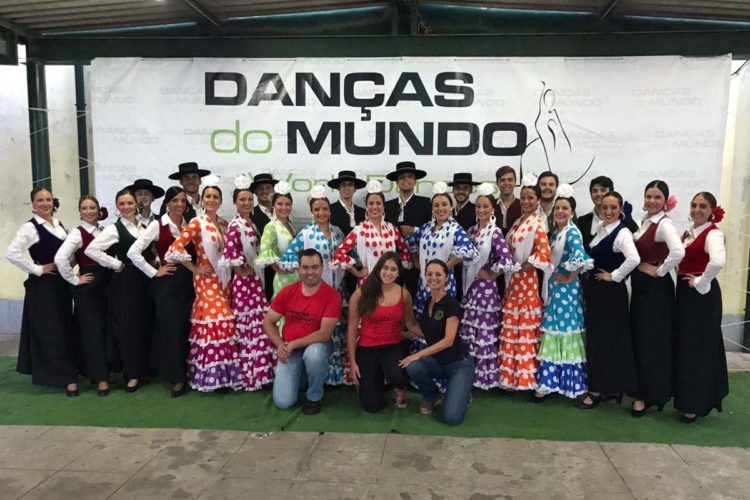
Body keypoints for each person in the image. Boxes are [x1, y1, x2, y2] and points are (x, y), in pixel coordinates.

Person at [165, 177, 243, 392]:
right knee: (216, 323)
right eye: (208, 196)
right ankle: (208, 377)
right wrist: (194, 268)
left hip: (224, 280)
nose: (211, 199)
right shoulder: (197, 222)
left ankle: (224, 376)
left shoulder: (224, 224)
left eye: (215, 197)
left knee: (225, 326)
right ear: (202, 200)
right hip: (206, 280)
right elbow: (175, 248)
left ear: (220, 201)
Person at [6, 187, 77, 396]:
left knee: (64, 327)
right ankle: (66, 378)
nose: (45, 203)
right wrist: (37, 269)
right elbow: (12, 253)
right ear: (33, 204)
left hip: (61, 284)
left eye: (48, 199)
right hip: (43, 287)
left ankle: (65, 372)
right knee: (51, 331)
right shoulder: (30, 228)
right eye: (40, 200)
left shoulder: (58, 224)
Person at [127, 186, 194, 397]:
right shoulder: (157, 225)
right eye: (175, 201)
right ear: (167, 203)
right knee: (172, 330)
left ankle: (187, 372)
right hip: (168, 283)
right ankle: (176, 377)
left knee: (186, 329)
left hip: (189, 283)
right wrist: (153, 272)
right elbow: (133, 252)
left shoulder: (188, 225)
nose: (180, 205)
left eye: (183, 201)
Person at [279, 186, 349, 385]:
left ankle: (336, 376)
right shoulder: (306, 233)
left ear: (330, 210)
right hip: (316, 293)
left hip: (338, 291)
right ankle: (319, 378)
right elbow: (289, 256)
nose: (321, 213)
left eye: (324, 209)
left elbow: (348, 255)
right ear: (312, 212)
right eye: (317, 209)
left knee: (336, 332)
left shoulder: (337, 232)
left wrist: (355, 268)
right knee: (320, 334)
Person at [86, 188, 153, 393]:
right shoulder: (114, 229)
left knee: (143, 324)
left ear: (137, 205)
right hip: (125, 283)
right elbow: (91, 250)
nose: (126, 207)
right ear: (117, 207)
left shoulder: (143, 226)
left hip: (145, 281)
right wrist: (115, 264)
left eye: (130, 203)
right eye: (122, 204)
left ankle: (142, 368)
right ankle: (131, 374)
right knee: (127, 328)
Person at [263, 249, 342, 414]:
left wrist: (293, 344)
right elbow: (268, 322)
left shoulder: (332, 295)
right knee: (283, 402)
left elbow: (324, 334)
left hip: (317, 346)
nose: (310, 272)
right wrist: (280, 346)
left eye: (315, 267)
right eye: (305, 267)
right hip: (290, 349)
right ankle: (302, 378)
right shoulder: (287, 292)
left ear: (322, 268)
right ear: (298, 268)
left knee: (313, 355)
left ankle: (314, 396)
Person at [579, 191, 639, 409]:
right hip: (597, 294)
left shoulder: (622, 233)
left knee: (606, 342)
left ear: (621, 209)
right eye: (605, 208)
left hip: (610, 296)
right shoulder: (602, 229)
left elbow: (634, 258)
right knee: (602, 341)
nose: (609, 211)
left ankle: (597, 390)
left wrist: (613, 276)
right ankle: (609, 387)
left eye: (613, 208)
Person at [630, 180, 685, 417]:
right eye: (649, 196)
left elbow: (678, 251)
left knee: (652, 341)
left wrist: (660, 270)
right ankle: (650, 391)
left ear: (665, 201)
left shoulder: (664, 224)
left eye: (657, 197)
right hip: (642, 287)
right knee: (642, 338)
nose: (652, 201)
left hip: (656, 290)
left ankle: (648, 395)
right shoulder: (646, 222)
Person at [674, 192, 729, 423]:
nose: (697, 209)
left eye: (703, 206)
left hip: (702, 299)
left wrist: (700, 281)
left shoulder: (713, 234)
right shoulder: (690, 233)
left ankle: (694, 404)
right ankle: (688, 399)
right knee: (687, 347)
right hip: (687, 296)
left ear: (712, 210)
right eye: (694, 205)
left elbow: (717, 261)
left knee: (698, 350)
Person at [399, 259, 475, 425]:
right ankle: (431, 395)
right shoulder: (428, 302)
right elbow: (420, 330)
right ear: (425, 276)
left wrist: (417, 355)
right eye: (430, 274)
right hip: (438, 361)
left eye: (438, 274)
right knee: (412, 366)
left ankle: (461, 392)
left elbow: (448, 341)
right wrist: (404, 305)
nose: (433, 278)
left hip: (458, 364)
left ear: (446, 277)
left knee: (452, 419)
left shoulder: (451, 304)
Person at [535, 185, 592, 401]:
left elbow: (581, 256)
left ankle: (569, 383)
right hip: (556, 291)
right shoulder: (559, 232)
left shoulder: (572, 232)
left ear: (572, 212)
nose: (560, 211)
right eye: (557, 207)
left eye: (565, 208)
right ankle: (551, 382)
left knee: (564, 334)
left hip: (565, 292)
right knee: (554, 333)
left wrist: (570, 276)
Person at [457, 183, 515, 389]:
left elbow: (507, 259)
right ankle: (468, 376)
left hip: (484, 291)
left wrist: (492, 273)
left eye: (485, 207)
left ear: (492, 209)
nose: (481, 210)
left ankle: (484, 377)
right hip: (469, 287)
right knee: (471, 332)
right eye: (478, 207)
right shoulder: (471, 230)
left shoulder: (495, 232)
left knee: (483, 334)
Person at [220, 175, 274, 391]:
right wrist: (245, 268)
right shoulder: (235, 225)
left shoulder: (248, 222)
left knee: (257, 329)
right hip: (245, 285)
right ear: (235, 202)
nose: (246, 203)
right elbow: (232, 255)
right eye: (242, 200)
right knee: (250, 330)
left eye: (249, 200)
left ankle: (259, 372)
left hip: (253, 282)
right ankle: (252, 375)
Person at [54, 195, 112, 396]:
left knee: (105, 330)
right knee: (92, 332)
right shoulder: (77, 234)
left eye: (92, 207)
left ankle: (104, 371)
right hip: (88, 287)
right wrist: (74, 279)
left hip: (108, 284)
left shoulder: (104, 231)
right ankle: (100, 378)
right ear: (80, 211)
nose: (89, 211)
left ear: (98, 210)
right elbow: (61, 258)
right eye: (84, 208)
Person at [499, 174, 553, 391]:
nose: (526, 201)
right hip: (513, 281)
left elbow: (544, 253)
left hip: (526, 281)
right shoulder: (519, 221)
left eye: (531, 198)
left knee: (525, 329)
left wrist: (524, 266)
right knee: (514, 327)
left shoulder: (537, 223)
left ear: (538, 200)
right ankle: (511, 377)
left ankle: (524, 378)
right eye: (523, 198)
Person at [348, 253, 417, 412]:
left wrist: (432, 336)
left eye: (393, 269)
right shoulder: (361, 293)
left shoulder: (403, 294)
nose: (388, 273)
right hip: (367, 347)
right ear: (378, 269)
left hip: (394, 345)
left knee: (397, 376)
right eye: (385, 268)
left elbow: (411, 323)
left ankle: (399, 387)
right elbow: (351, 329)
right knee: (372, 406)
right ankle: (372, 383)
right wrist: (352, 362)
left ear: (398, 273)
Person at [405, 182, 477, 321]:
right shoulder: (427, 227)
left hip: (444, 284)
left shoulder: (455, 228)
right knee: (424, 319)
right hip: (424, 282)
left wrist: (445, 267)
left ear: (451, 207)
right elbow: (409, 243)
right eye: (436, 205)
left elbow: (468, 250)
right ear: (432, 208)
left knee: (440, 321)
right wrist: (416, 262)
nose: (440, 208)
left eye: (444, 204)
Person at [331, 180, 412, 287]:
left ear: (383, 206)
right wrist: (358, 273)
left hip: (390, 282)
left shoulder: (392, 228)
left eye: (378, 203)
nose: (375, 207)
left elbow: (405, 251)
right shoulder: (359, 230)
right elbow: (339, 254)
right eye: (371, 203)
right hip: (367, 283)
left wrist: (394, 268)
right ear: (367, 206)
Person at [384, 161, 432, 297]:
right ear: (397, 182)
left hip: (417, 260)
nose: (406, 179)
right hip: (392, 259)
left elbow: (434, 229)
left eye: (410, 176)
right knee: (390, 293)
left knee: (414, 293)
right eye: (402, 177)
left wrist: (415, 230)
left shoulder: (425, 203)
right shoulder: (387, 206)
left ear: (415, 181)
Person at [256, 181, 298, 298]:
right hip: (282, 278)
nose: (284, 207)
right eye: (280, 204)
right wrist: (278, 269)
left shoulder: (291, 225)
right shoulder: (271, 226)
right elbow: (265, 250)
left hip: (295, 276)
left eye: (287, 204)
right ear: (273, 206)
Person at [577, 176, 638, 251]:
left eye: (603, 190)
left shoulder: (623, 219)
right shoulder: (582, 221)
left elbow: (638, 243)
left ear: (611, 193)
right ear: (590, 194)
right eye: (595, 191)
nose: (599, 194)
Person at [448, 173, 480, 302]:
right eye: (457, 188)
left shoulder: (476, 211)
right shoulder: (447, 212)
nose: (461, 191)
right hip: (450, 264)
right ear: (453, 190)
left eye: (465, 188)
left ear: (471, 190)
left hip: (468, 265)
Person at [249, 173, 279, 302]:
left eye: (268, 187)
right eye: (261, 188)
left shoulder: (282, 211)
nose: (265, 191)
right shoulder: (250, 215)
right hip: (262, 271)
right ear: (255, 192)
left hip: (281, 268)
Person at [328, 170, 367, 236]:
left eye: (350, 185)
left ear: (355, 189)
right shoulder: (329, 210)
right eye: (343, 185)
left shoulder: (362, 212)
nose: (347, 188)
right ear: (338, 188)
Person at [495, 166, 521, 236]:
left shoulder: (523, 205)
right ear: (497, 183)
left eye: (510, 180)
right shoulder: (490, 205)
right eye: (502, 180)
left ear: (515, 182)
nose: (506, 183)